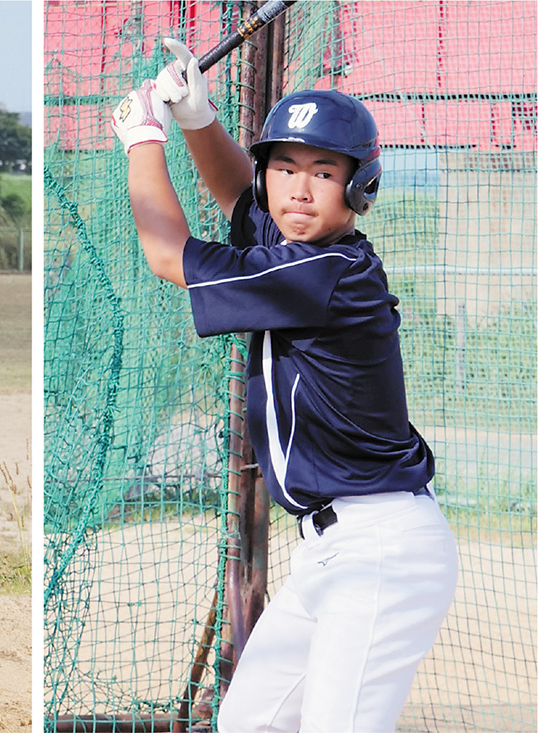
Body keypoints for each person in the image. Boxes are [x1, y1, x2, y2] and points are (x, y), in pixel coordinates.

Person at [110, 38, 458, 732]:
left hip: (382, 549)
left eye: (323, 172)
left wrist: (143, 137)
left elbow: (164, 252)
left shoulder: (326, 273)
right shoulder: (299, 252)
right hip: (330, 549)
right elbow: (242, 198)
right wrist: (198, 121)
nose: (298, 188)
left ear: (360, 187)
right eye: (285, 168)